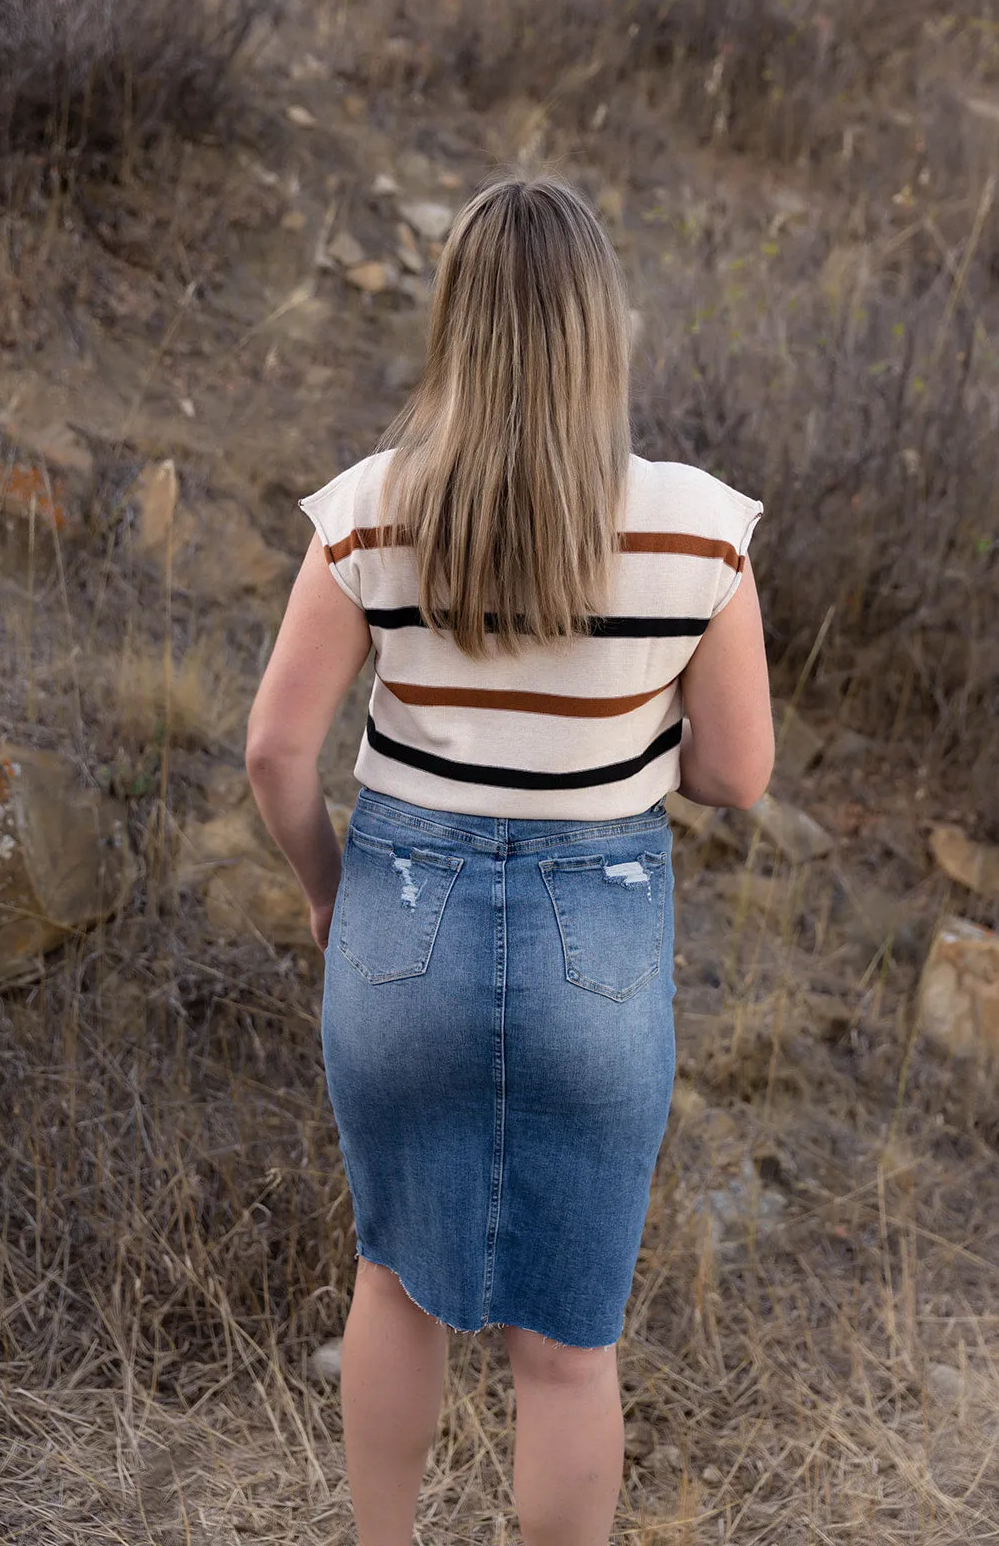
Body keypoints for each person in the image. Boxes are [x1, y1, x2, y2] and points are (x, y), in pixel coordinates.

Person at [245, 172, 774, 1546]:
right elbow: (738, 775)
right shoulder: (699, 527)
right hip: (595, 937)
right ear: (602, 328)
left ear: (456, 322)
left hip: (396, 925)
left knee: (394, 1285)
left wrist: (321, 885)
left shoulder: (370, 508)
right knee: (566, 1347)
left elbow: (271, 753)